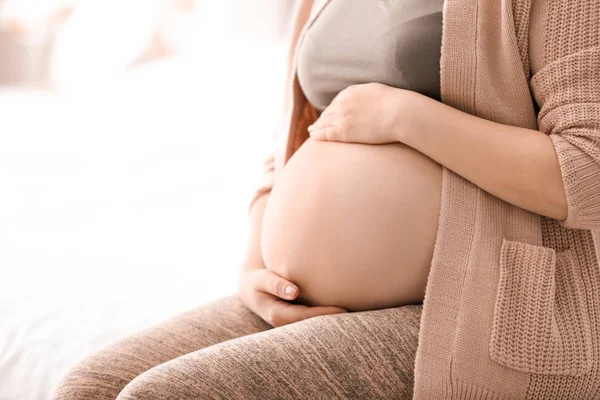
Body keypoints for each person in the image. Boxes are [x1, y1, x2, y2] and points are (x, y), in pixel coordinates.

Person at [55, 0, 600, 399]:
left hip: (477, 303)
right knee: (90, 387)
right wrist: (254, 266)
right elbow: (295, 137)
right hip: (304, 299)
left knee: (164, 397)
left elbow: (587, 168)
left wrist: (404, 117)